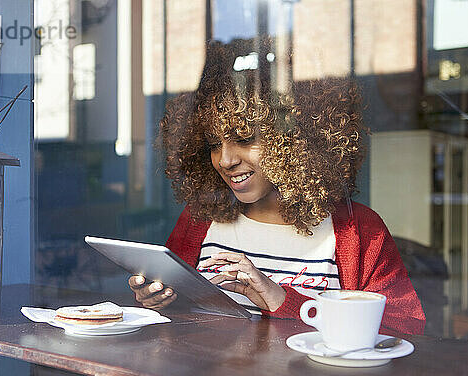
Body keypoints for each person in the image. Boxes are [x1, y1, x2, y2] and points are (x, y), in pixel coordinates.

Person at [129, 38, 425, 335]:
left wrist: (282, 300)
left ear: (297, 139)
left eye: (245, 139)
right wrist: (159, 301)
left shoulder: (358, 231)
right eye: (213, 144)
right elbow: (179, 318)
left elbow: (404, 330)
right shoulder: (199, 220)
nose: (226, 159)